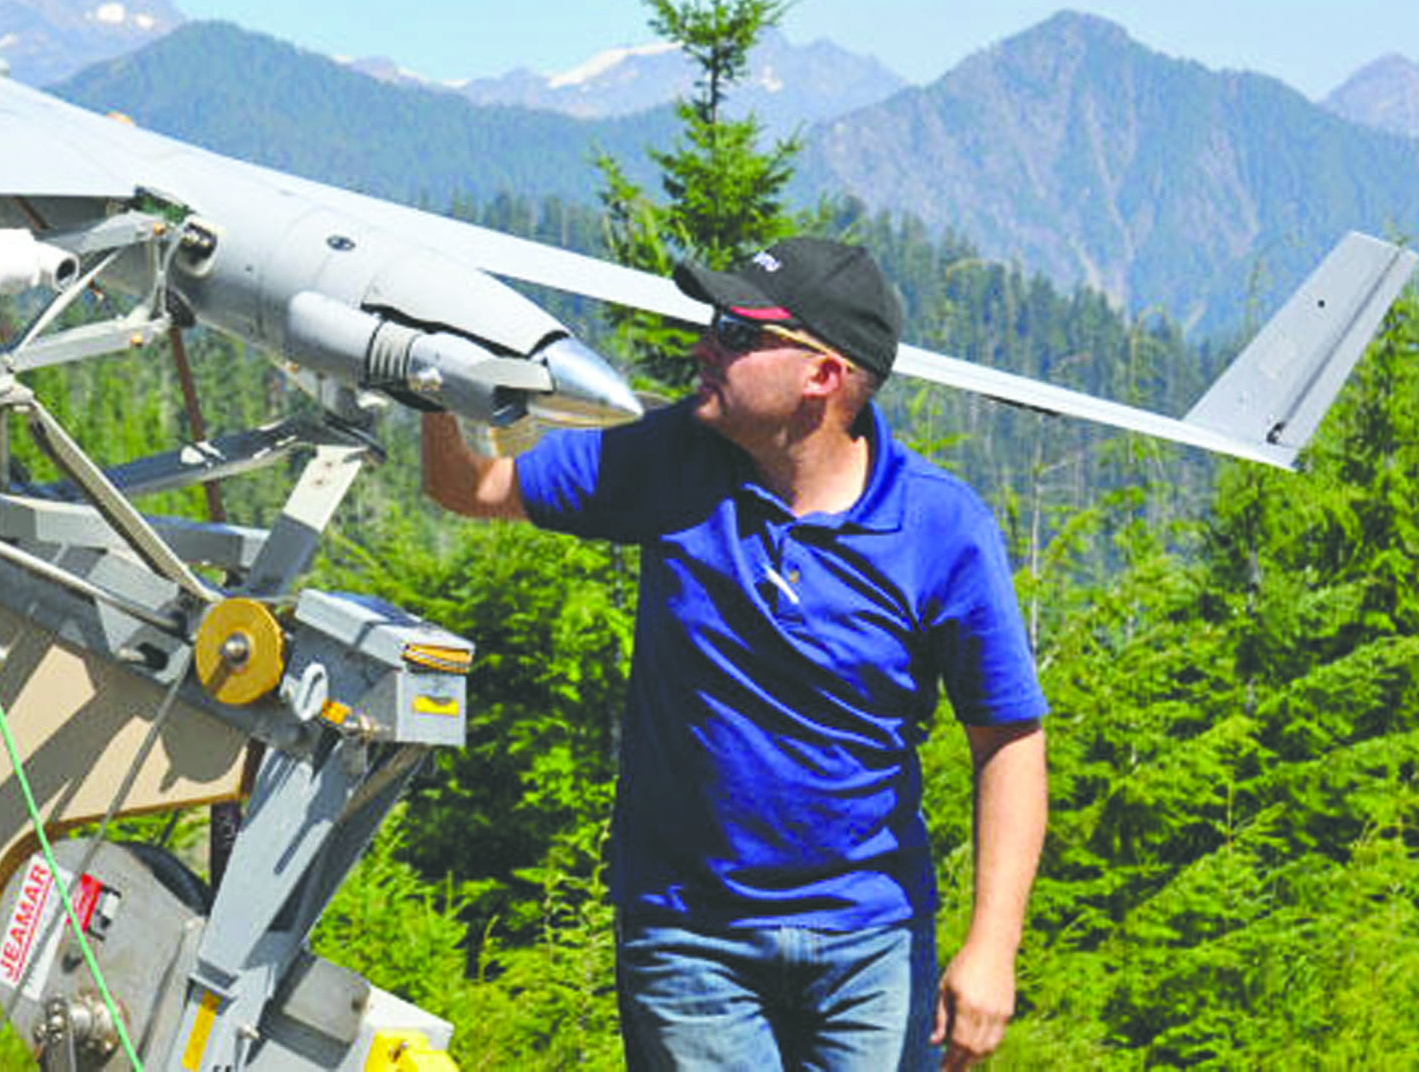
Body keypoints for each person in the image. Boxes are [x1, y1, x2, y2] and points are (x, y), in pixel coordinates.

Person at [422, 237, 1046, 1071]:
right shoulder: (669, 457)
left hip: (871, 943)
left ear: (823, 376)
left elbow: (1008, 740)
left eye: (738, 333)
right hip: (688, 938)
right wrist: (428, 379)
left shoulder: (942, 527)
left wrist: (993, 947)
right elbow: (473, 485)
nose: (703, 345)